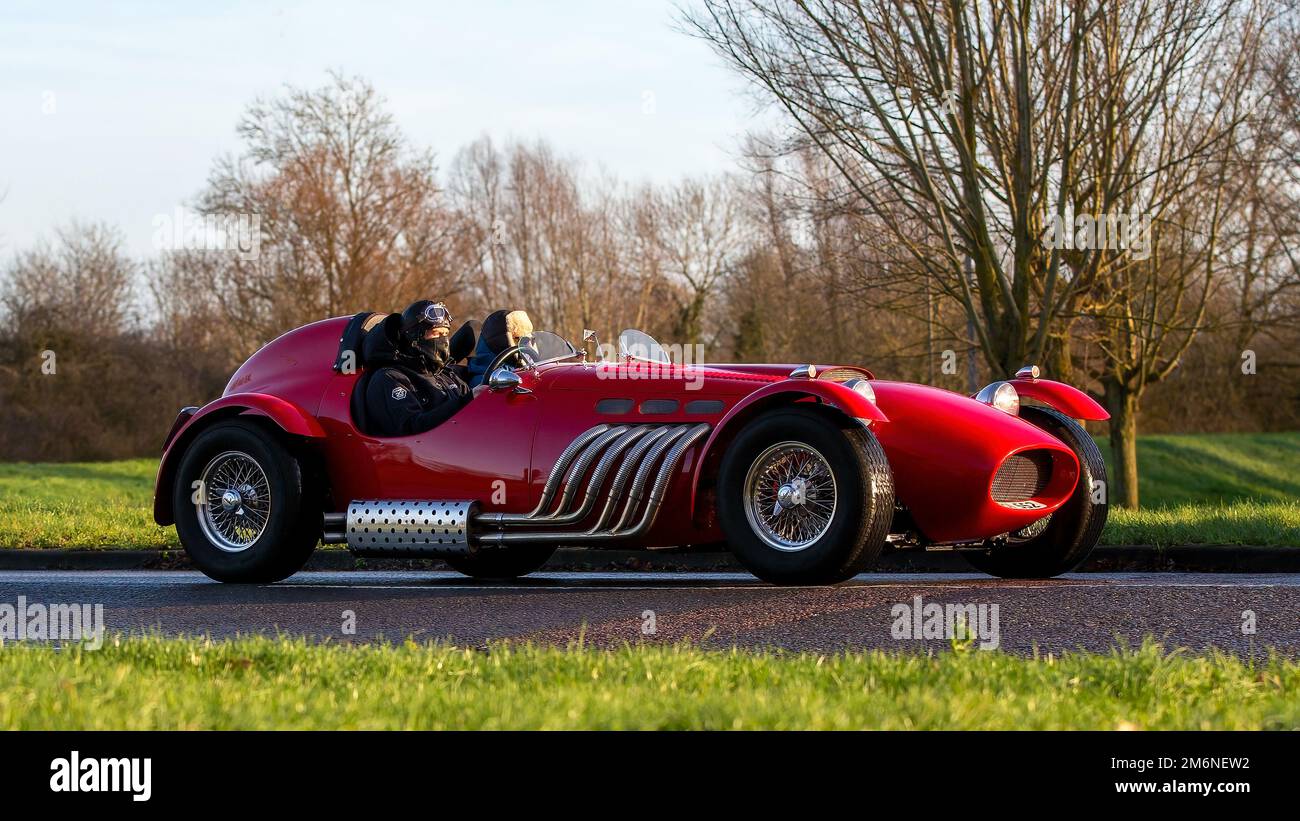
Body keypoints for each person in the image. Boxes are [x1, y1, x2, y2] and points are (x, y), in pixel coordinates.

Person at [362, 300, 471, 436]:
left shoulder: (447, 375)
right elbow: (410, 428)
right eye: (436, 333)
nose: (443, 340)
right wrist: (465, 401)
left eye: (445, 334)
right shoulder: (390, 378)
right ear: (414, 336)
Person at [465, 308, 534, 388]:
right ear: (501, 342)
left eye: (526, 340)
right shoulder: (487, 381)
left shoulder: (523, 370)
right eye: (517, 339)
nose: (524, 346)